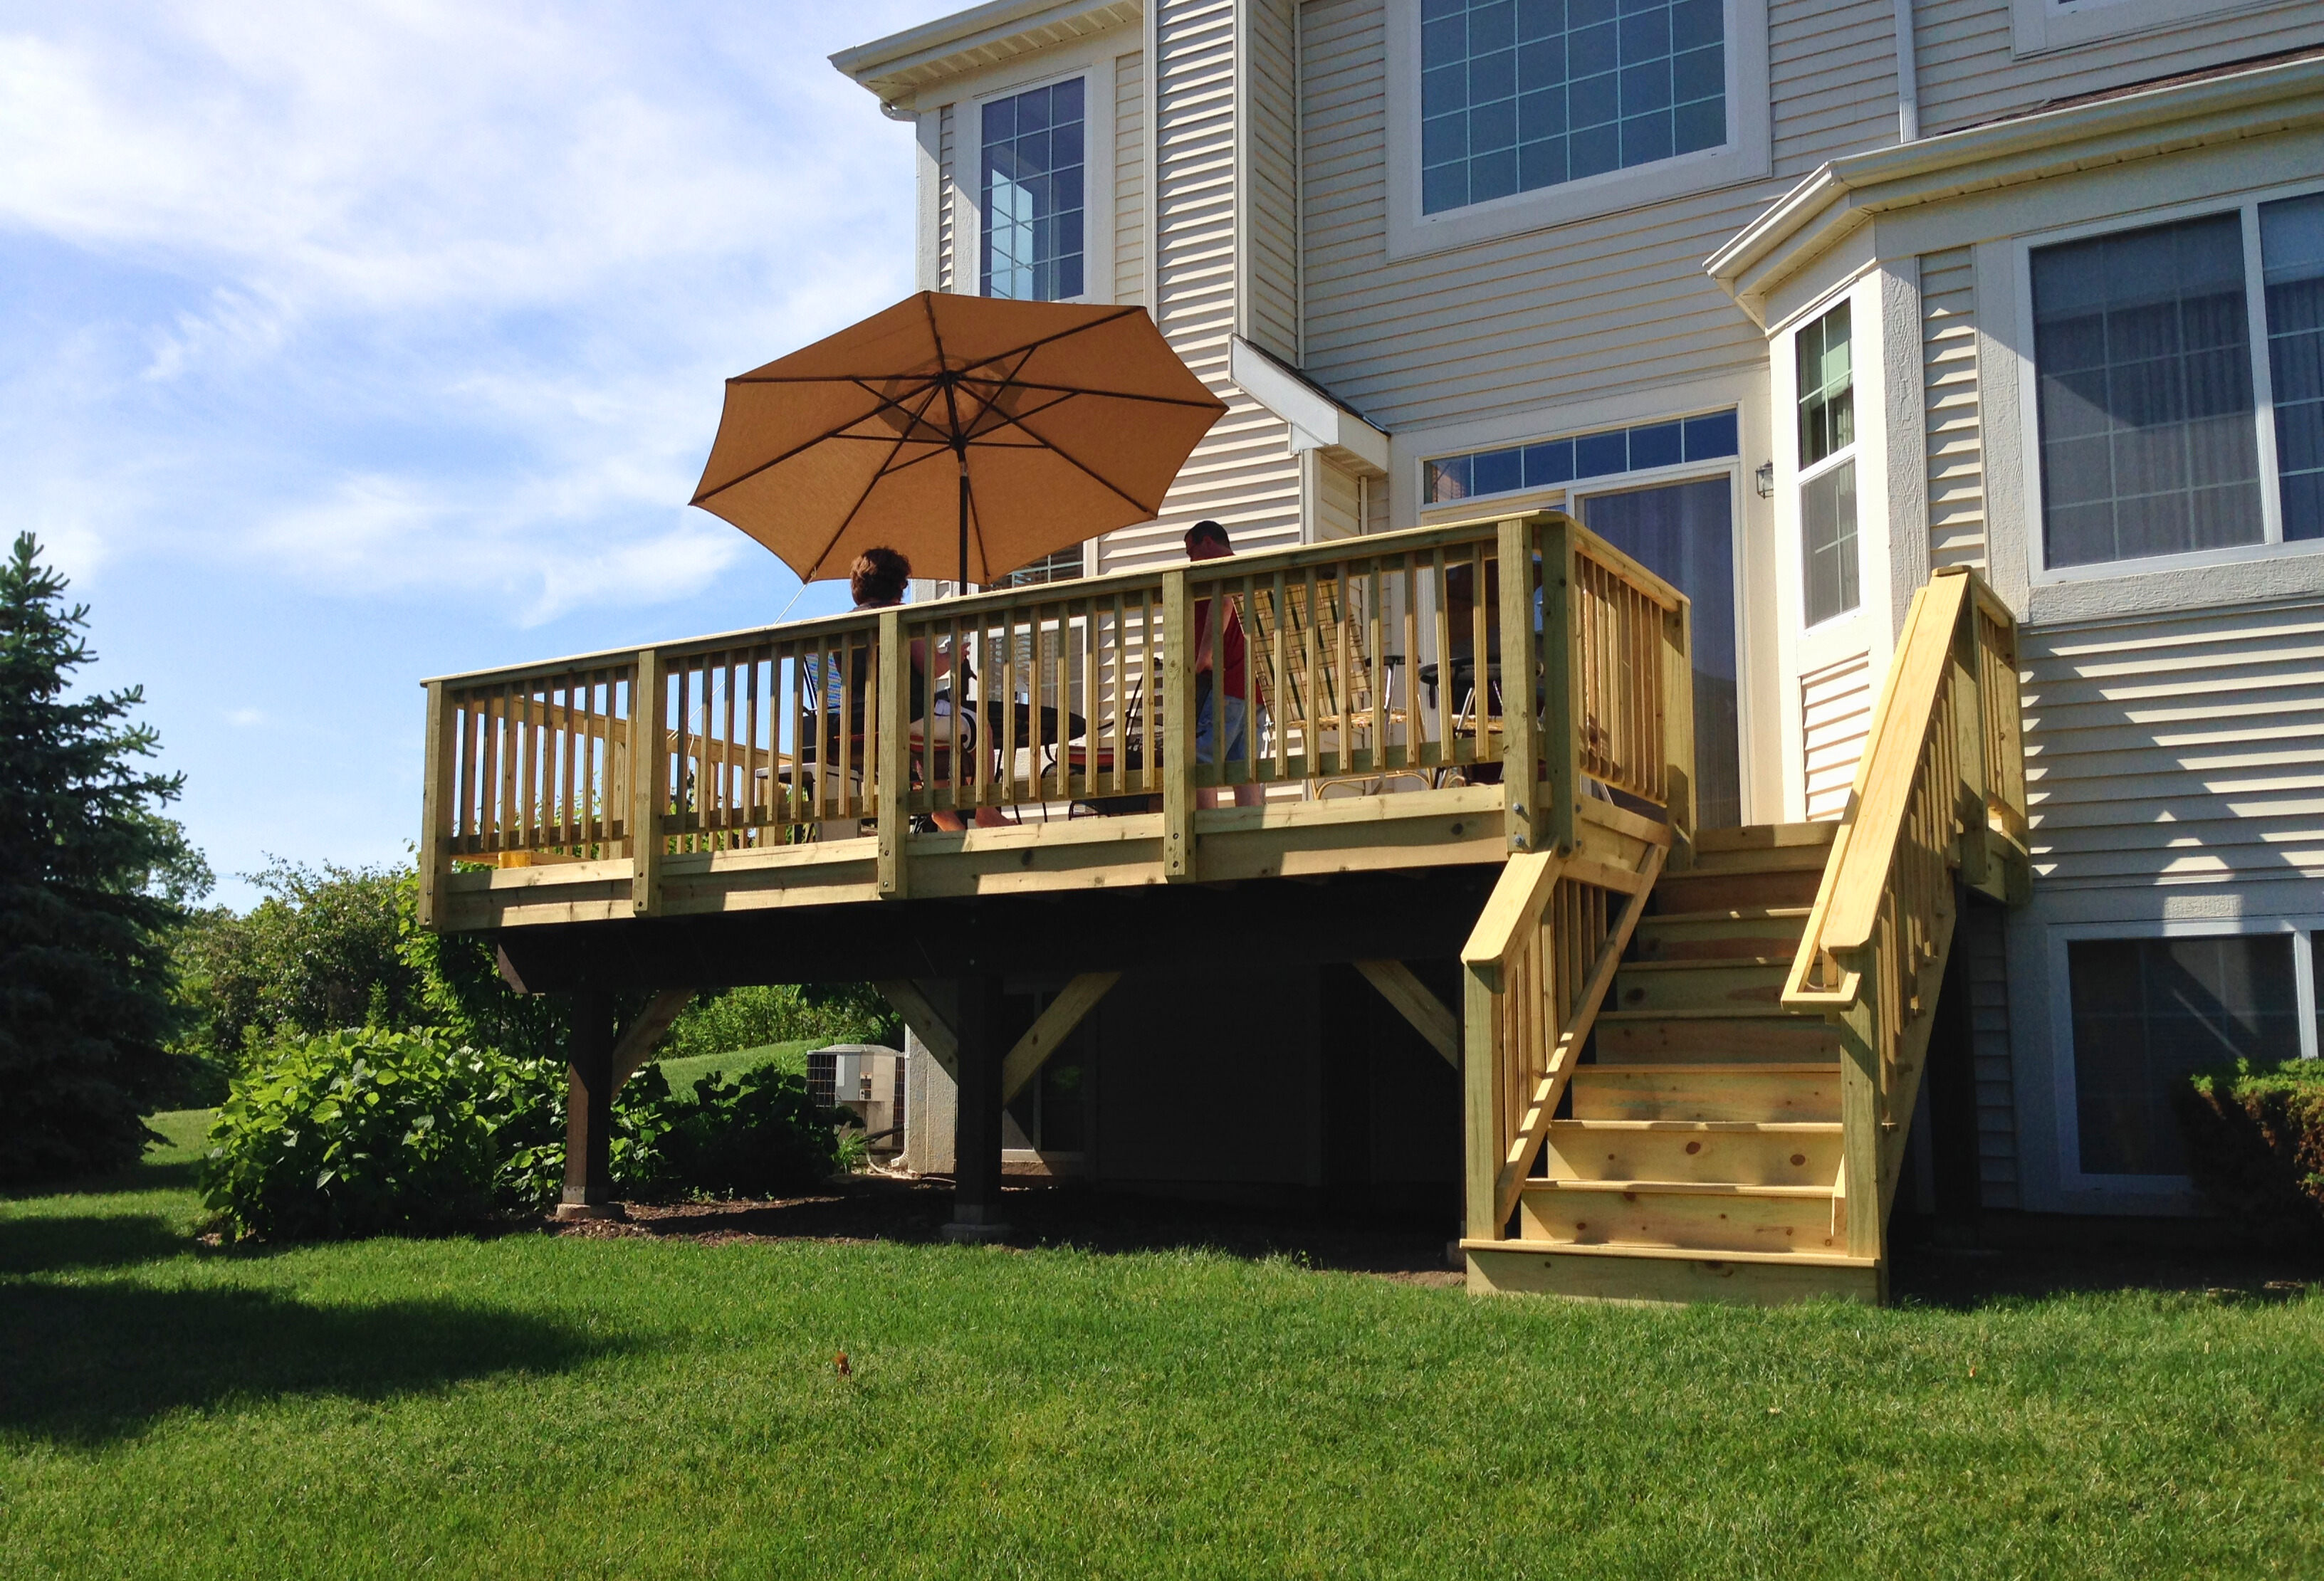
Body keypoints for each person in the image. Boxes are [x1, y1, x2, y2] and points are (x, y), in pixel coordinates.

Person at [1184, 520, 1265, 809]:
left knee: (1201, 760)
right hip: (1254, 689)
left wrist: (1203, 657)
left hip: (1224, 684)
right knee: (1244, 769)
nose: (1190, 559)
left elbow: (1223, 603)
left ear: (1208, 542)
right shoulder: (1250, 574)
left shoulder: (1220, 571)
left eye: (1190, 551)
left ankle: (1207, 831)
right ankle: (1250, 835)